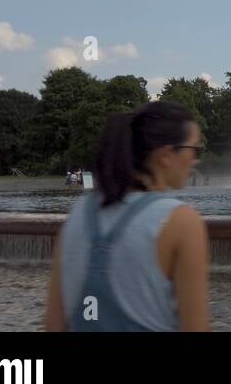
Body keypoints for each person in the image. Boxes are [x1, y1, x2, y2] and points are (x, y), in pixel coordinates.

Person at [45, 101, 210, 332]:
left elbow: (54, 325)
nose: (196, 160)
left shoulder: (79, 214)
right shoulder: (181, 223)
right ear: (165, 155)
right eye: (194, 150)